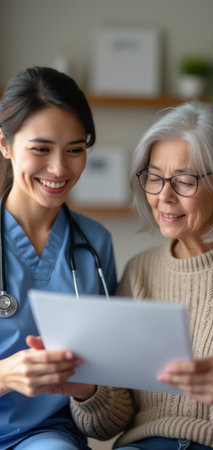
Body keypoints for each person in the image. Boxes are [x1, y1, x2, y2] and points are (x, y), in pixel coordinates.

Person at [70, 101, 213, 450]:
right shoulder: (140, 271)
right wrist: (86, 388)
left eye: (184, 181)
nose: (164, 196)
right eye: (154, 179)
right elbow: (110, 421)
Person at [0, 66, 117, 449]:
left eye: (75, 150)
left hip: (43, 436)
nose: (59, 169)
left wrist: (88, 389)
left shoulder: (95, 244)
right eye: (40, 149)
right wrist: (4, 377)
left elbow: (107, 379)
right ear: (5, 145)